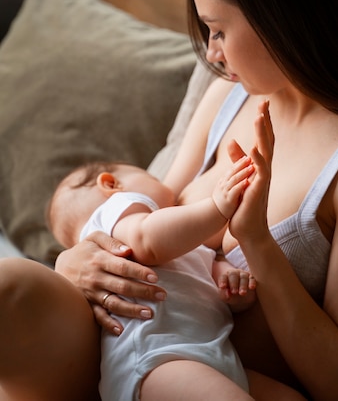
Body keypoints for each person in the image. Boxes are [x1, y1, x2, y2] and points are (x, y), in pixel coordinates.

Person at [1, 0, 338, 401]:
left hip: (204, 375)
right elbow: (153, 212)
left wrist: (257, 242)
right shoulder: (229, 93)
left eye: (219, 30)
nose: (212, 53)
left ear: (280, 16)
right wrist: (76, 261)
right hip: (118, 343)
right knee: (12, 289)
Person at [46, 157, 278, 401]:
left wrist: (233, 282)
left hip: (212, 355)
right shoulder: (115, 213)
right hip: (156, 360)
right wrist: (216, 208)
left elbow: (212, 275)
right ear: (111, 184)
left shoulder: (187, 245)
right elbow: (147, 241)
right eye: (153, 178)